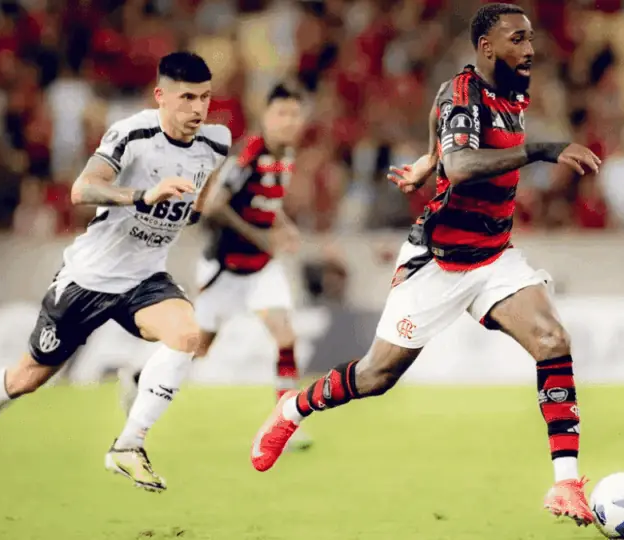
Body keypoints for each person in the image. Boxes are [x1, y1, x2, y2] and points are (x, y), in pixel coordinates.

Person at [249, 3, 602, 527]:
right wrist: (537, 150)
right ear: (487, 48)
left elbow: (448, 138)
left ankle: (565, 485)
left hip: (494, 256)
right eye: (517, 39)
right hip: (438, 261)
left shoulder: (514, 92)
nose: (530, 49)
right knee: (375, 376)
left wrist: (429, 159)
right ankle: (293, 409)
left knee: (552, 340)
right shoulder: (463, 93)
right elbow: (462, 162)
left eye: (530, 38)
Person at [0, 52, 232, 500]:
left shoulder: (217, 141)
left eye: (204, 98)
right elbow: (82, 188)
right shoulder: (132, 134)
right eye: (187, 98)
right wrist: (143, 196)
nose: (198, 109)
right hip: (89, 279)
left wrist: (196, 210)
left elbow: (204, 189)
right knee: (28, 377)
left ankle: (128, 445)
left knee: (188, 334)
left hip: (144, 278)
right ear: (161, 96)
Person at [118, 83, 311, 450]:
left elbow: (265, 204)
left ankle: (285, 424)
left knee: (286, 337)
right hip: (226, 267)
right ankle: (139, 377)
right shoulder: (249, 155)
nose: (289, 121)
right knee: (197, 347)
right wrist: (261, 237)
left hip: (261, 269)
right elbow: (214, 206)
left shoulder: (286, 156)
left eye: (294, 114)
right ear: (266, 117)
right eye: (281, 113)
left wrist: (284, 226)